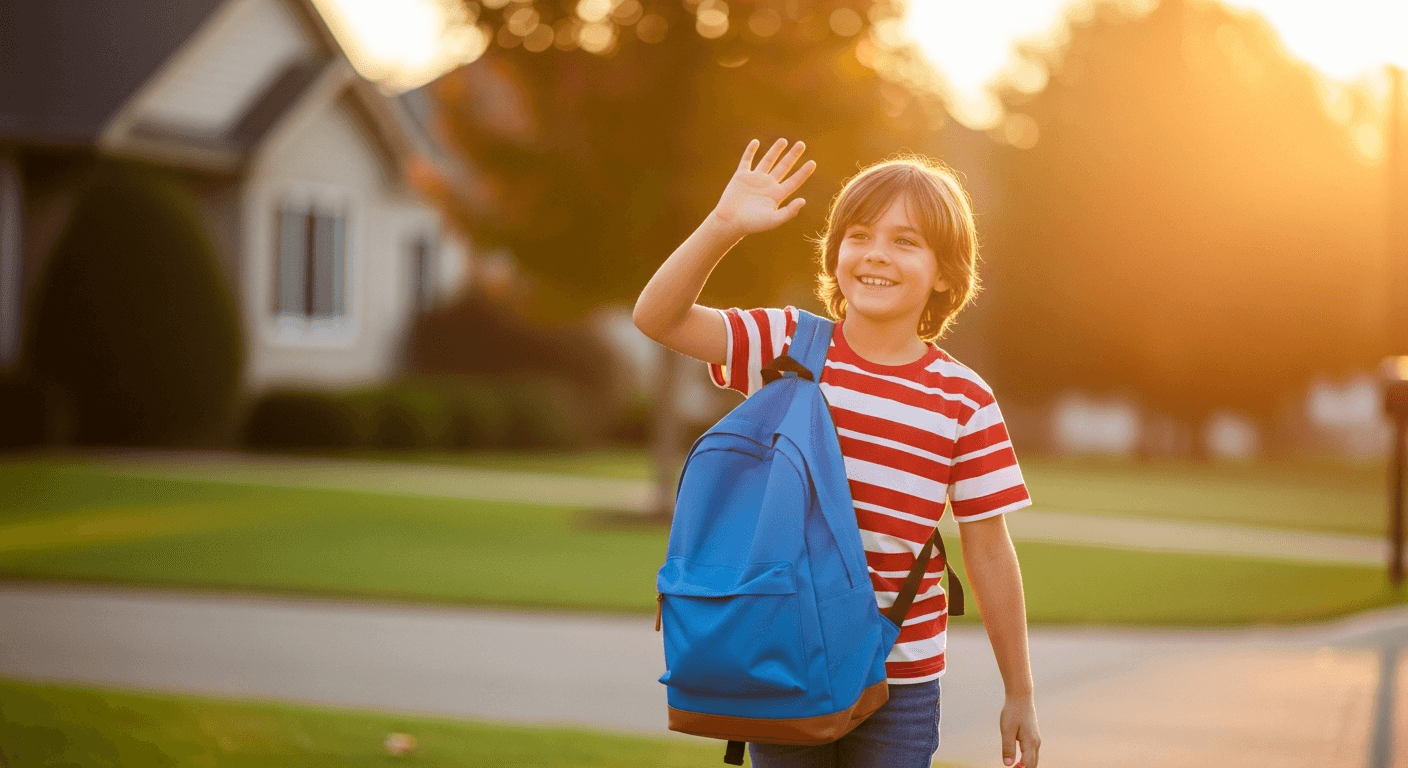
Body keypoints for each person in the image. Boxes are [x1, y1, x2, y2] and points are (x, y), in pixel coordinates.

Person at [632, 138, 1041, 768]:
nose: (876, 253)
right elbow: (658, 317)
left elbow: (988, 551)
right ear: (836, 254)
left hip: (899, 681)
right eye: (859, 235)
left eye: (906, 241)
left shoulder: (964, 400)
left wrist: (1020, 693)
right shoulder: (789, 346)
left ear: (945, 274)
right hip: (784, 658)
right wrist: (723, 225)